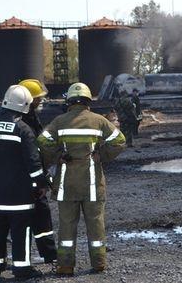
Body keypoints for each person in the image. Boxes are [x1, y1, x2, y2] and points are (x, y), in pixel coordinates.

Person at [37, 82, 126, 275]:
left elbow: (42, 140)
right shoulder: (99, 121)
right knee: (95, 224)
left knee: (67, 225)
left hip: (66, 186)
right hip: (92, 184)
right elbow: (119, 140)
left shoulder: (59, 121)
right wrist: (101, 154)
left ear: (69, 101)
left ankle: (65, 265)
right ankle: (99, 263)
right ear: (88, 101)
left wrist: (58, 154)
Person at [0, 85, 47, 280]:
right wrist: (40, 184)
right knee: (21, 230)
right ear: (25, 105)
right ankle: (22, 269)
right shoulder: (23, 129)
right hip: (19, 194)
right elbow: (33, 162)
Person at [18, 79, 57, 264]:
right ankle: (45, 255)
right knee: (36, 216)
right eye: (37, 98)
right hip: (29, 178)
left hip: (32, 176)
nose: (40, 101)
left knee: (41, 216)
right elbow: (31, 153)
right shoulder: (23, 121)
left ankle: (48, 253)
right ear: (28, 99)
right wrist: (40, 180)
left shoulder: (30, 116)